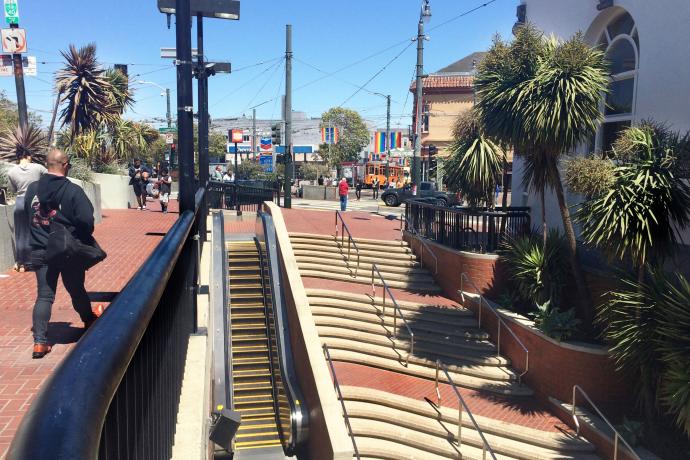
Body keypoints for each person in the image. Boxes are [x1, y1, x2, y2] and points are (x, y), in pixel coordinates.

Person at [25, 149, 100, 359]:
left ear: (47, 164)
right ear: (65, 164)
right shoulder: (73, 191)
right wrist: (82, 235)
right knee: (76, 289)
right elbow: (86, 220)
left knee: (44, 295)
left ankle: (40, 342)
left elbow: (24, 215)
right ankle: (88, 320)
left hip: (40, 250)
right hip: (67, 251)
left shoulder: (33, 189)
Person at [7, 151, 46, 272]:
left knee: (20, 233)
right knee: (35, 230)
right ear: (29, 156)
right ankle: (33, 260)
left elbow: (12, 189)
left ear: (18, 157)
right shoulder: (38, 167)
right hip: (34, 202)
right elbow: (50, 176)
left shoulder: (11, 171)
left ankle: (21, 263)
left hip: (19, 202)